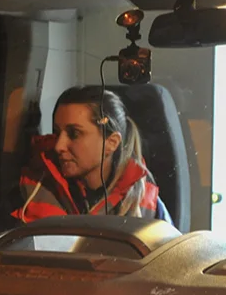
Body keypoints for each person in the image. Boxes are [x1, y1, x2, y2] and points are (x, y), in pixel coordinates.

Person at [13, 86, 171, 224]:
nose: (58, 146)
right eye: (57, 132)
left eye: (74, 134)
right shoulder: (32, 187)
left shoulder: (147, 205)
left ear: (111, 142)